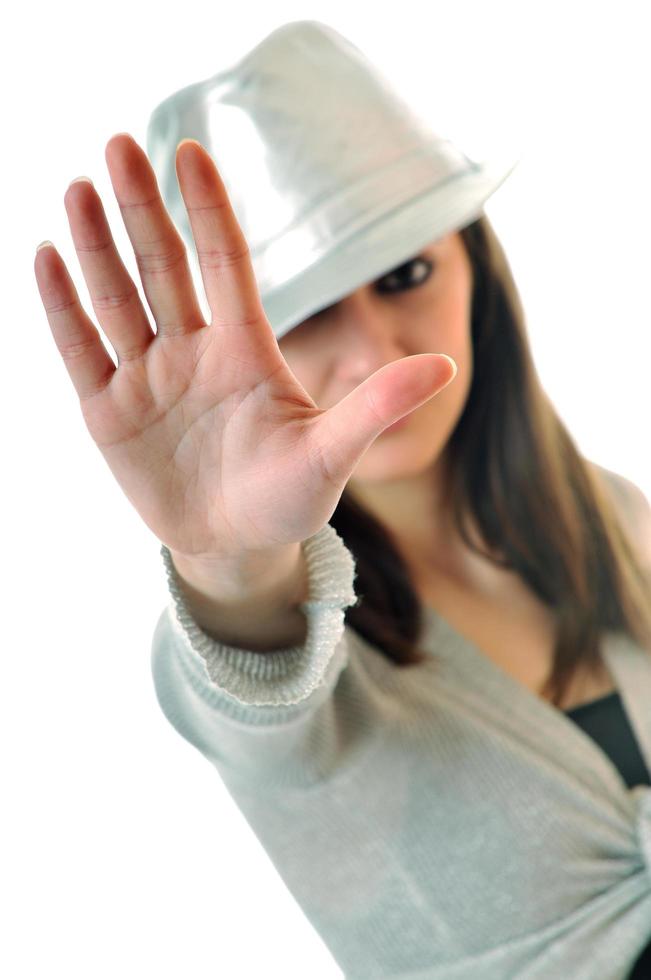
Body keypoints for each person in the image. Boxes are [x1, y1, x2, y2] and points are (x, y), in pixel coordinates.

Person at [33, 19, 651, 980]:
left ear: (478, 274)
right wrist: (225, 560)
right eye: (305, 309)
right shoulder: (277, 637)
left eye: (407, 274)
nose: (373, 356)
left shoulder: (617, 518)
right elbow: (245, 672)